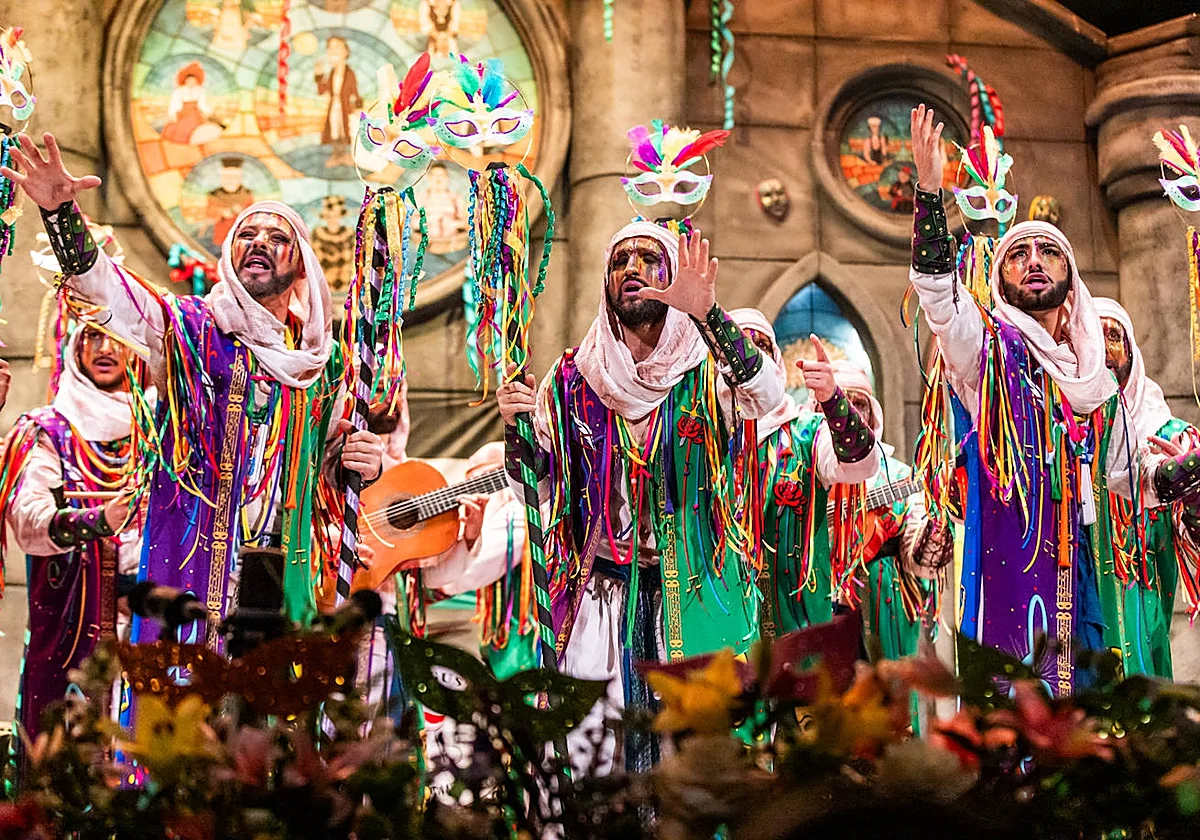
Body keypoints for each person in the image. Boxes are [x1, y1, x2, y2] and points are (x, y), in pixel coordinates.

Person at [498, 224, 857, 774]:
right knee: (594, 750)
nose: (633, 270)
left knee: (695, 754)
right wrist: (515, 428)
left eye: (649, 258)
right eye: (621, 260)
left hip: (693, 589)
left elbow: (767, 393)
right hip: (598, 593)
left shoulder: (711, 369)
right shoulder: (572, 377)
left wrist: (709, 313)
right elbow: (535, 483)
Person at [2, 132, 384, 650]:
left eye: (277, 238)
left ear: (301, 270)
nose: (259, 243)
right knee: (178, 719)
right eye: (247, 235)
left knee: (270, 721)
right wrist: (60, 213)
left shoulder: (321, 366)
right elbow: (108, 291)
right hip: (189, 567)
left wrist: (358, 460)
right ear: (229, 256)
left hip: (281, 578)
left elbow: (316, 471)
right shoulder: (186, 329)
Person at [906, 105, 1200, 695]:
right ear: (1001, 277)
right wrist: (929, 192)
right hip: (1007, 566)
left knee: (1079, 722)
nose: (1034, 262)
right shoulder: (983, 346)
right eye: (1018, 254)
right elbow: (938, 294)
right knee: (1013, 723)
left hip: (1080, 569)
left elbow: (1128, 475)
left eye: (1048, 253)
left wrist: (1182, 470)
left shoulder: (1098, 373)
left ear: (1071, 275)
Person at [0, 325, 146, 755]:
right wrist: (98, 520)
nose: (105, 348)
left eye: (117, 336)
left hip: (146, 632)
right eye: (91, 336)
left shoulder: (161, 431)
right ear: (71, 345)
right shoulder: (46, 431)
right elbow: (29, 519)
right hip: (73, 632)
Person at [718, 310, 879, 639]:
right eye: (738, 346)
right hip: (717, 620)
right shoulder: (699, 435)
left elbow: (863, 465)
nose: (749, 358)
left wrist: (832, 399)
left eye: (761, 346)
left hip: (795, 624)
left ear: (774, 362)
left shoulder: (805, 433)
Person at [1095, 297, 1200, 679]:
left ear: (1131, 352)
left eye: (1114, 336)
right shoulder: (1058, 437)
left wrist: (1194, 501)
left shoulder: (1169, 437)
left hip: (1143, 617)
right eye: (1093, 335)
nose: (1105, 348)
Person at [315, 36, 361, 169]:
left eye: (337, 47)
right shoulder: (332, 72)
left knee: (345, 130)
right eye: (330, 48)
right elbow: (322, 90)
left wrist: (357, 105)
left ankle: (346, 155)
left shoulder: (349, 73)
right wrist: (319, 76)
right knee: (334, 130)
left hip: (345, 106)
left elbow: (355, 91)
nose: (333, 51)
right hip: (334, 105)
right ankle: (336, 155)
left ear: (346, 52)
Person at [161, 61, 222, 146]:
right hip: (182, 114)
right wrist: (173, 115)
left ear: (197, 81)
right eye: (189, 80)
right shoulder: (179, 91)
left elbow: (202, 105)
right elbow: (174, 105)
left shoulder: (200, 91)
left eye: (193, 80)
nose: (191, 82)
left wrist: (209, 112)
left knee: (197, 127)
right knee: (178, 129)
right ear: (185, 80)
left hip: (195, 114)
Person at [205, 157, 254, 248]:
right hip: (221, 239)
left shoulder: (247, 195)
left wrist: (241, 211)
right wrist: (222, 212)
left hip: (241, 239)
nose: (231, 181)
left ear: (240, 179)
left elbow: (252, 216)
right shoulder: (214, 195)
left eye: (235, 177)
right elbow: (209, 212)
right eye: (228, 177)